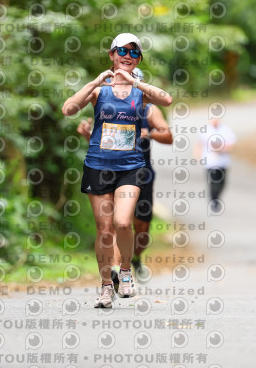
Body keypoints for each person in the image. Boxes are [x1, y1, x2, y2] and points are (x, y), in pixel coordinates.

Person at [62, 33, 172, 308]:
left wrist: (135, 81)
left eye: (134, 53)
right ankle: (105, 287)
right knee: (105, 230)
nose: (127, 56)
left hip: (130, 167)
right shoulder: (99, 91)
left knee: (123, 223)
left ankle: (125, 271)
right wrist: (96, 82)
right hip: (98, 166)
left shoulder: (140, 92)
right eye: (121, 50)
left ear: (138, 60)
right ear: (111, 55)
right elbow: (68, 109)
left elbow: (167, 100)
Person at [77, 69, 173, 286]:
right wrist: (87, 135)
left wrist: (149, 134)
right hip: (112, 172)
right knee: (117, 223)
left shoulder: (149, 109)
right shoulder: (109, 107)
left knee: (142, 229)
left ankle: (135, 258)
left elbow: (168, 136)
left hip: (141, 172)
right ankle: (116, 270)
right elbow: (105, 145)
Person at [194, 117, 236, 210]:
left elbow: (232, 145)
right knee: (213, 183)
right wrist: (197, 155)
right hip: (210, 162)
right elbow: (199, 144)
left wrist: (222, 149)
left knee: (222, 183)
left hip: (223, 162)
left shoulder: (226, 130)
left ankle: (217, 197)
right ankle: (214, 200)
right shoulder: (205, 131)